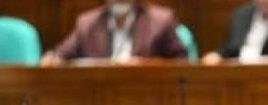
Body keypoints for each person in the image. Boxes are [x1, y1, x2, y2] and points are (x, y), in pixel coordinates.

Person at [40, 0, 186, 66]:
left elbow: (181, 63)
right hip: (98, 99)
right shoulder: (87, 24)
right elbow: (59, 56)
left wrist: (144, 64)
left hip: (149, 98)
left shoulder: (161, 21)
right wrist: (52, 60)